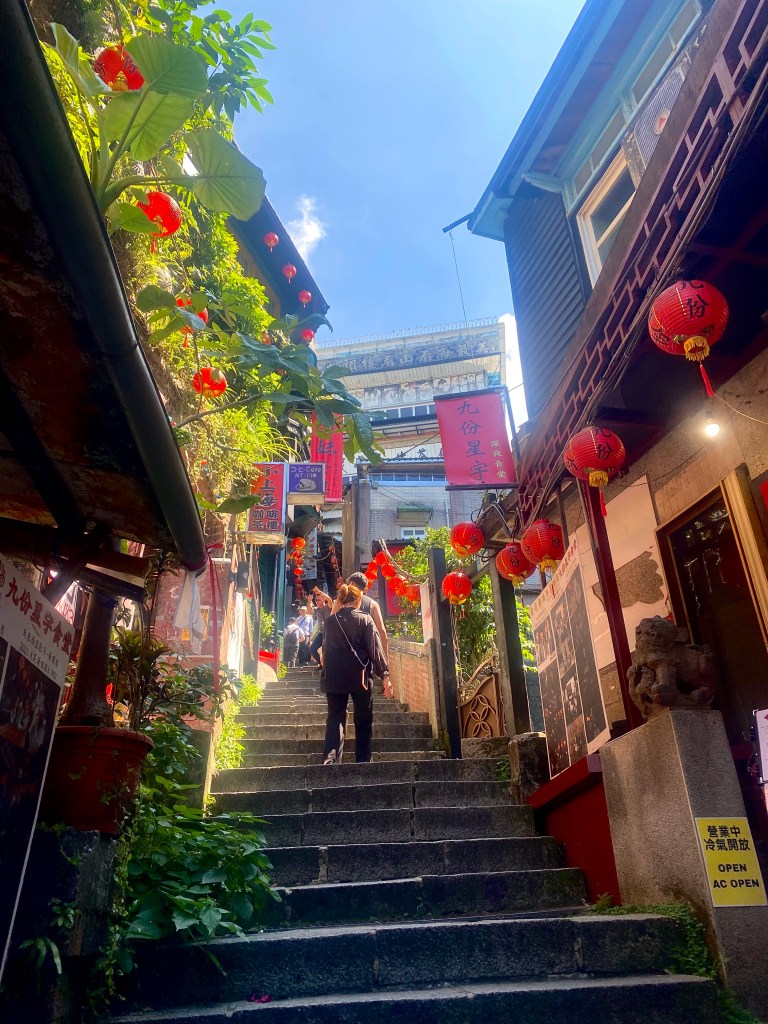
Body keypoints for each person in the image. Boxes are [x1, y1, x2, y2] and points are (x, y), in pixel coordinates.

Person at [320, 583, 390, 764]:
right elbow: (375, 649)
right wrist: (385, 675)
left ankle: (331, 759)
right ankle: (363, 761)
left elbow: (325, 650)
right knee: (363, 720)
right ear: (358, 600)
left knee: (335, 717)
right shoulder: (365, 619)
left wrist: (325, 672)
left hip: (335, 677)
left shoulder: (330, 621)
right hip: (360, 677)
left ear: (341, 601)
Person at [347, 571, 388, 659]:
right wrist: (385, 659)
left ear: (352, 584)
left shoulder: (342, 603)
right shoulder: (373, 605)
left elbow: (331, 626)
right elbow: (382, 632)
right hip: (368, 656)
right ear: (365, 587)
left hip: (347, 655)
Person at [310, 588, 332, 666]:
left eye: (319, 600)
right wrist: (309, 601)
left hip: (330, 633)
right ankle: (321, 665)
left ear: (323, 600)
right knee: (312, 649)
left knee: (326, 650)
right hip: (321, 632)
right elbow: (309, 611)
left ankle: (327, 666)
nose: (317, 601)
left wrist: (320, 592)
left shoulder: (328, 607)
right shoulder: (316, 610)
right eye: (316, 600)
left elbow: (329, 600)